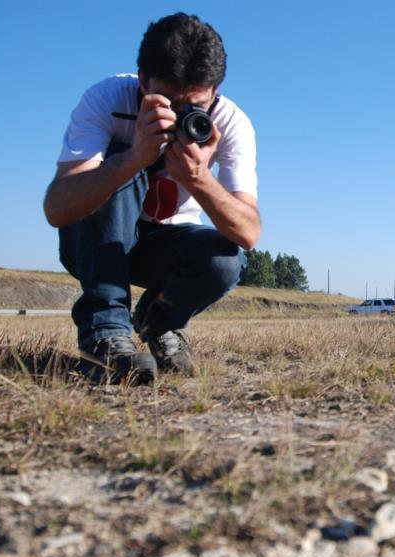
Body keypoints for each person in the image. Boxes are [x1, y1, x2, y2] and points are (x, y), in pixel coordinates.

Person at [44, 13, 260, 383]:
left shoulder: (230, 122)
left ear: (215, 92)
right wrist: (132, 159)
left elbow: (249, 232)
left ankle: (159, 323)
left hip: (164, 248)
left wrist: (199, 178)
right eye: (168, 101)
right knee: (113, 162)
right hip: (92, 244)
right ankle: (106, 337)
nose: (179, 116)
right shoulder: (106, 98)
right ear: (142, 79)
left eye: (194, 106)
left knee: (225, 259)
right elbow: (57, 208)